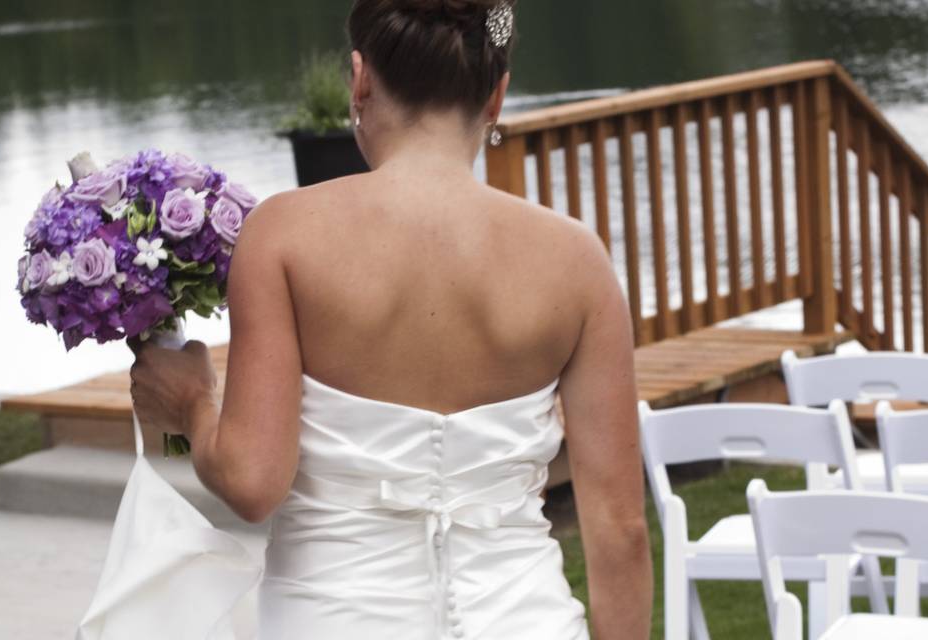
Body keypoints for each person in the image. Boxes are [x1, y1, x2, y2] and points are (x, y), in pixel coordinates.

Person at [130, 1, 652, 638]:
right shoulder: (577, 261)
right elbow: (621, 530)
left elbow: (252, 482)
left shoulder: (285, 235)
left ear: (360, 79)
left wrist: (192, 406)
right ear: (496, 96)